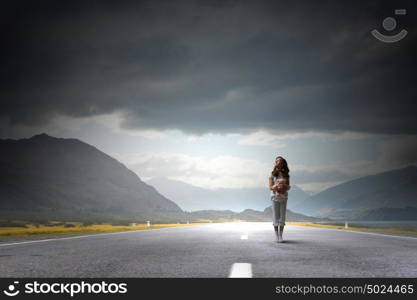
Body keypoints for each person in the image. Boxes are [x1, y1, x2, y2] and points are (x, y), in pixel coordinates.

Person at [268, 156, 291, 243]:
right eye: (276, 161)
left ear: (283, 163)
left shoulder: (286, 175)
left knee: (282, 217)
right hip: (275, 197)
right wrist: (277, 188)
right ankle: (276, 236)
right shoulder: (272, 174)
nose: (278, 163)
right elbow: (270, 187)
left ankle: (281, 235)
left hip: (284, 197)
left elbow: (288, 186)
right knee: (276, 216)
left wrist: (284, 187)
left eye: (280, 161)